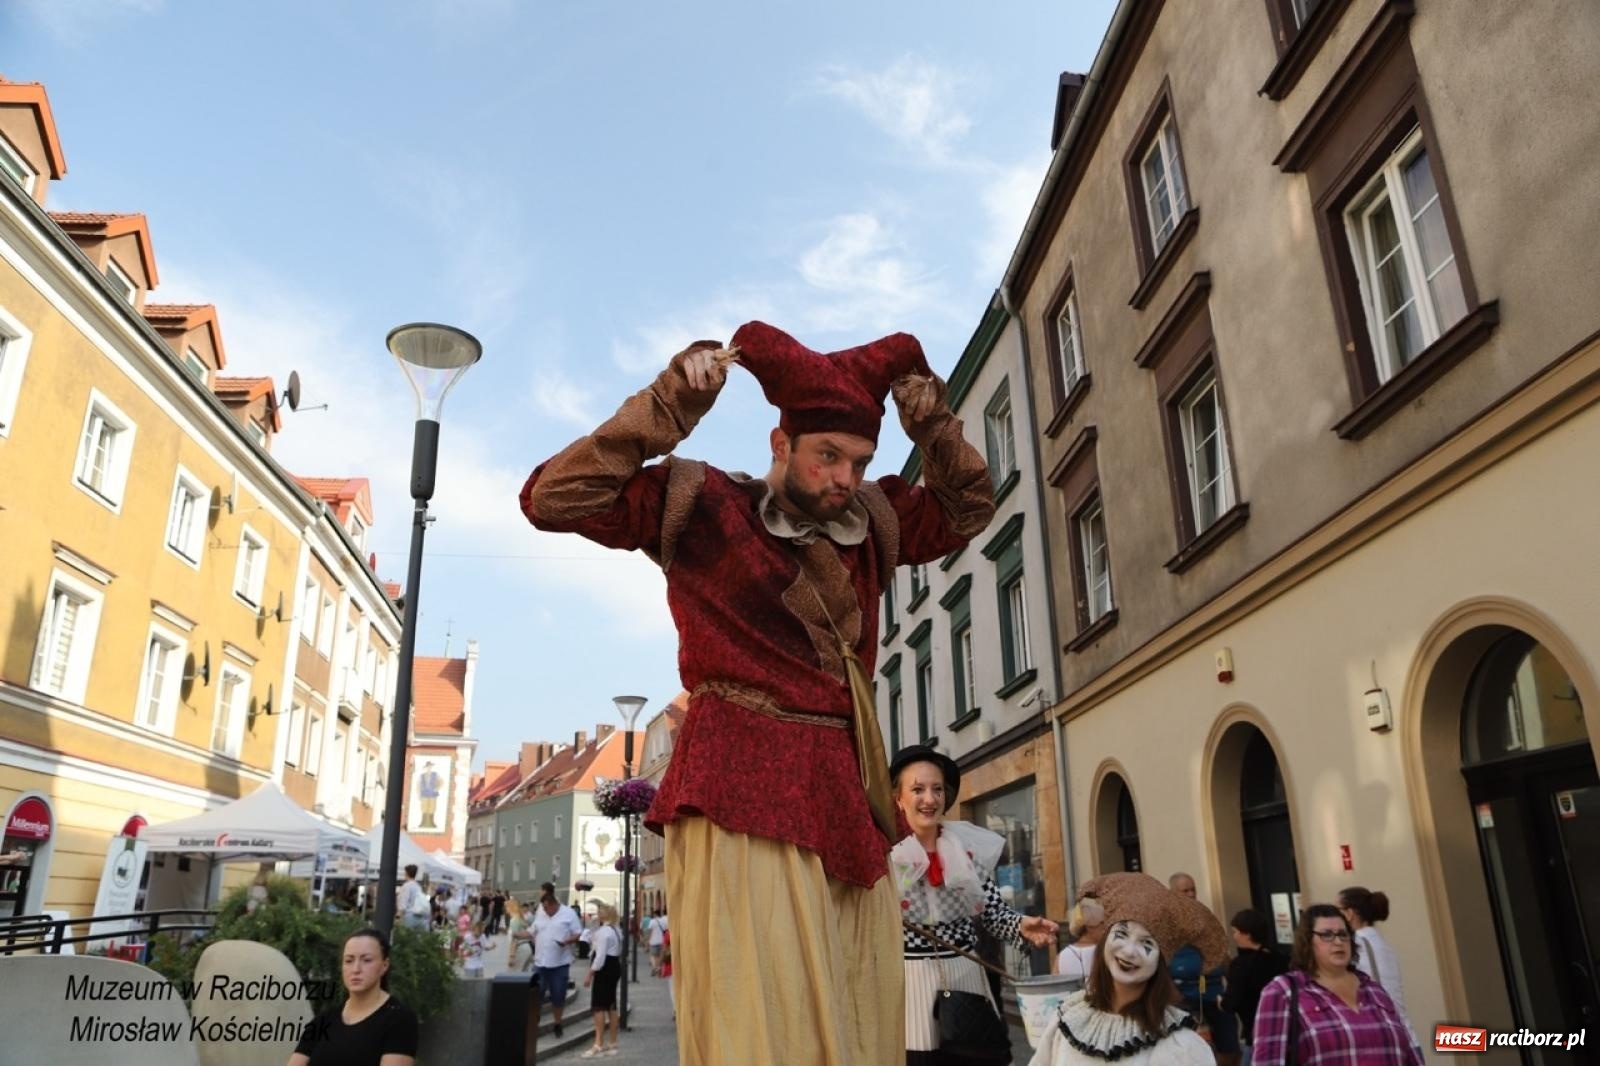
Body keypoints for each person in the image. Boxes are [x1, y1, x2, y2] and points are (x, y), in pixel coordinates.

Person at [521, 321, 995, 1066]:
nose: (844, 476)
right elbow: (555, 498)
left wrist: (933, 425)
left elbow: (970, 508)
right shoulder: (703, 502)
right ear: (781, 445)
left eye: (859, 460)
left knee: (860, 1013)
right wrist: (668, 403)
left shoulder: (872, 520)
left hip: (844, 793)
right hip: (740, 783)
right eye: (827, 456)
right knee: (763, 1020)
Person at [891, 745, 1057, 1064]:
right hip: (910, 988)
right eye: (918, 789)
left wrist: (1022, 925)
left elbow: (993, 912)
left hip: (967, 982)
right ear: (898, 798)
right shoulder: (885, 857)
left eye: (937, 789)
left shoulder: (965, 850)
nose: (930, 799)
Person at [1028, 873, 1224, 1065]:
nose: (1130, 951)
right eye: (1121, 934)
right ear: (1105, 941)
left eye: (1146, 944)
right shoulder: (1066, 1023)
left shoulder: (1183, 1047)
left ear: (1159, 963)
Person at [1250, 905, 1421, 1066]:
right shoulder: (1283, 992)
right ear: (1308, 941)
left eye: (1343, 934)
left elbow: (1408, 1053)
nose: (1338, 941)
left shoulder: (1374, 990)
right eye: (1326, 935)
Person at [289, 927, 418, 1066]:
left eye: (367, 960)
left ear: (384, 966)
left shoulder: (399, 1020)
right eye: (349, 961)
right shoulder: (324, 1020)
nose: (356, 969)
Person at [1167, 872, 1239, 1066]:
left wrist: (1232, 981)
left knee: (1230, 1046)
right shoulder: (1166, 923)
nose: (1191, 894)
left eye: (1193, 890)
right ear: (1173, 894)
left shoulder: (1206, 918)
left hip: (1215, 993)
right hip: (1183, 996)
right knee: (1192, 1052)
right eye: (1185, 890)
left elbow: (1221, 949)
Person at [1338, 886, 1418, 1048]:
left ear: (1350, 913)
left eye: (1338, 910)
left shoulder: (1357, 944)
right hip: (1406, 1036)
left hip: (1384, 1040)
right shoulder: (1383, 944)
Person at [1221, 909, 1286, 1066]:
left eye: (1236, 932)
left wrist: (1221, 1002)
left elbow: (1232, 1002)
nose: (1234, 936)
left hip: (1256, 1036)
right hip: (1284, 1034)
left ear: (1247, 935)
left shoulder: (1240, 965)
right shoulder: (1281, 959)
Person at [529, 892, 584, 1039]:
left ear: (554, 904)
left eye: (547, 908)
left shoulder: (569, 914)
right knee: (535, 994)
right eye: (543, 908)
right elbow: (532, 931)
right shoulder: (541, 913)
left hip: (560, 964)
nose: (545, 910)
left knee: (558, 995)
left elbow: (578, 933)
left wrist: (566, 941)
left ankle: (558, 1023)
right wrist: (517, 934)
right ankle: (535, 1021)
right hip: (540, 962)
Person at [581, 901, 625, 1058]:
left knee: (598, 1006)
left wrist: (590, 974)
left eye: (599, 912)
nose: (597, 914)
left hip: (605, 968)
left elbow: (599, 957)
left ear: (603, 915)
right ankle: (612, 1042)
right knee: (611, 1005)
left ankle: (598, 1043)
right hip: (614, 966)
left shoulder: (603, 932)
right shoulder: (616, 930)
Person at [1055, 897, 1106, 986]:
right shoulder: (1103, 951)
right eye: (1101, 924)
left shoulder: (1061, 956)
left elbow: (1056, 987)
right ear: (1090, 927)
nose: (1105, 929)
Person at [395, 865, 429, 933]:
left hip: (409, 917)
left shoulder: (406, 886)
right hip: (420, 917)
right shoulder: (418, 886)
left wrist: (397, 918)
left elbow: (403, 905)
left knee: (406, 939)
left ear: (406, 873)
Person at [505, 896, 532, 971]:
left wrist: (511, 956)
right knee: (523, 974)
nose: (506, 909)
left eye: (507, 907)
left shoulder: (514, 920)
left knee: (514, 974)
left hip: (520, 949)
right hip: (526, 948)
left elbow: (514, 939)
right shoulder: (520, 918)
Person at [647, 907, 667, 976]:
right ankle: (658, 968)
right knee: (659, 956)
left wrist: (648, 940)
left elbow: (650, 931)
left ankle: (654, 967)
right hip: (662, 941)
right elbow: (666, 931)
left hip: (653, 941)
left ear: (655, 914)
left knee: (653, 955)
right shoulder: (663, 921)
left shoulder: (652, 921)